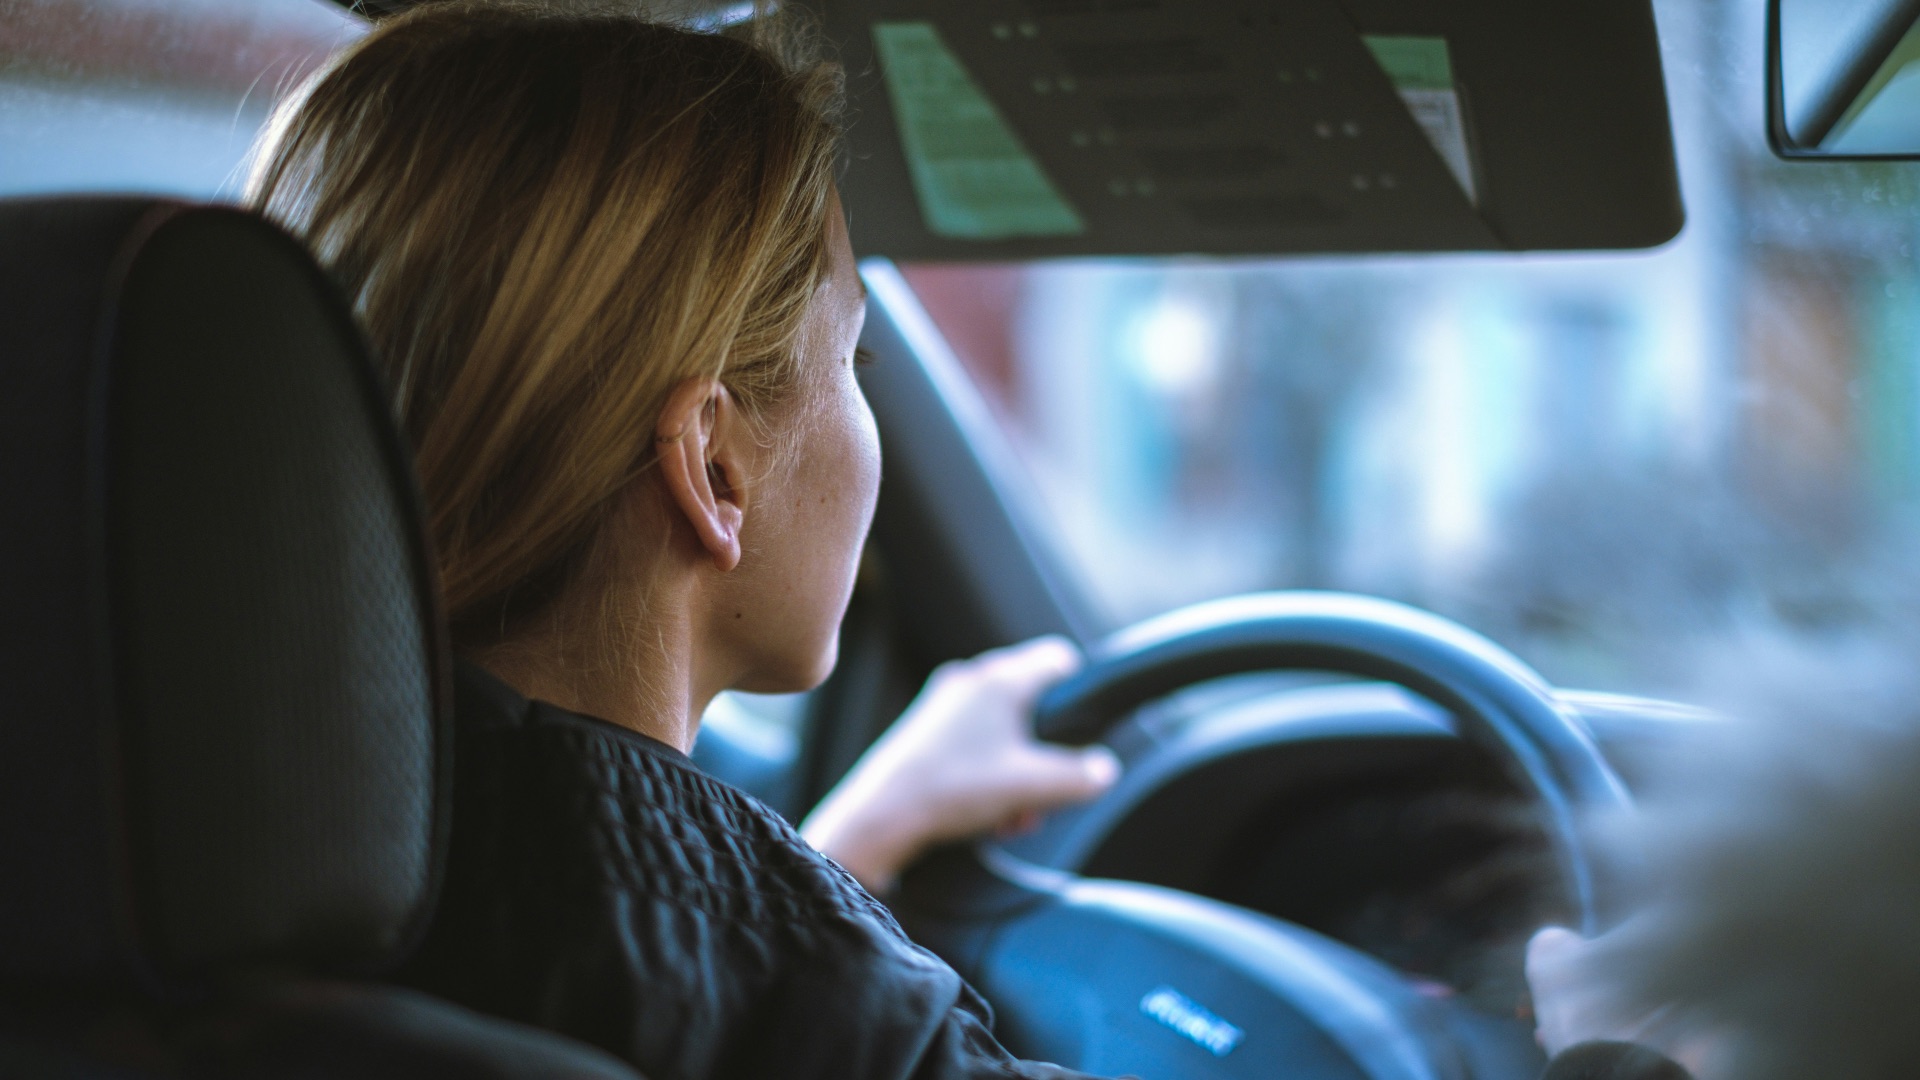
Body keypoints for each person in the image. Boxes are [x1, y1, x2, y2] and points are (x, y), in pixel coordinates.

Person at [250, 4, 1673, 1079]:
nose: (866, 415)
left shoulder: (215, 873)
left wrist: (846, 847)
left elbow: (630, 947)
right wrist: (1624, 1052)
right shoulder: (851, 1031)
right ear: (712, 467)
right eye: (857, 362)